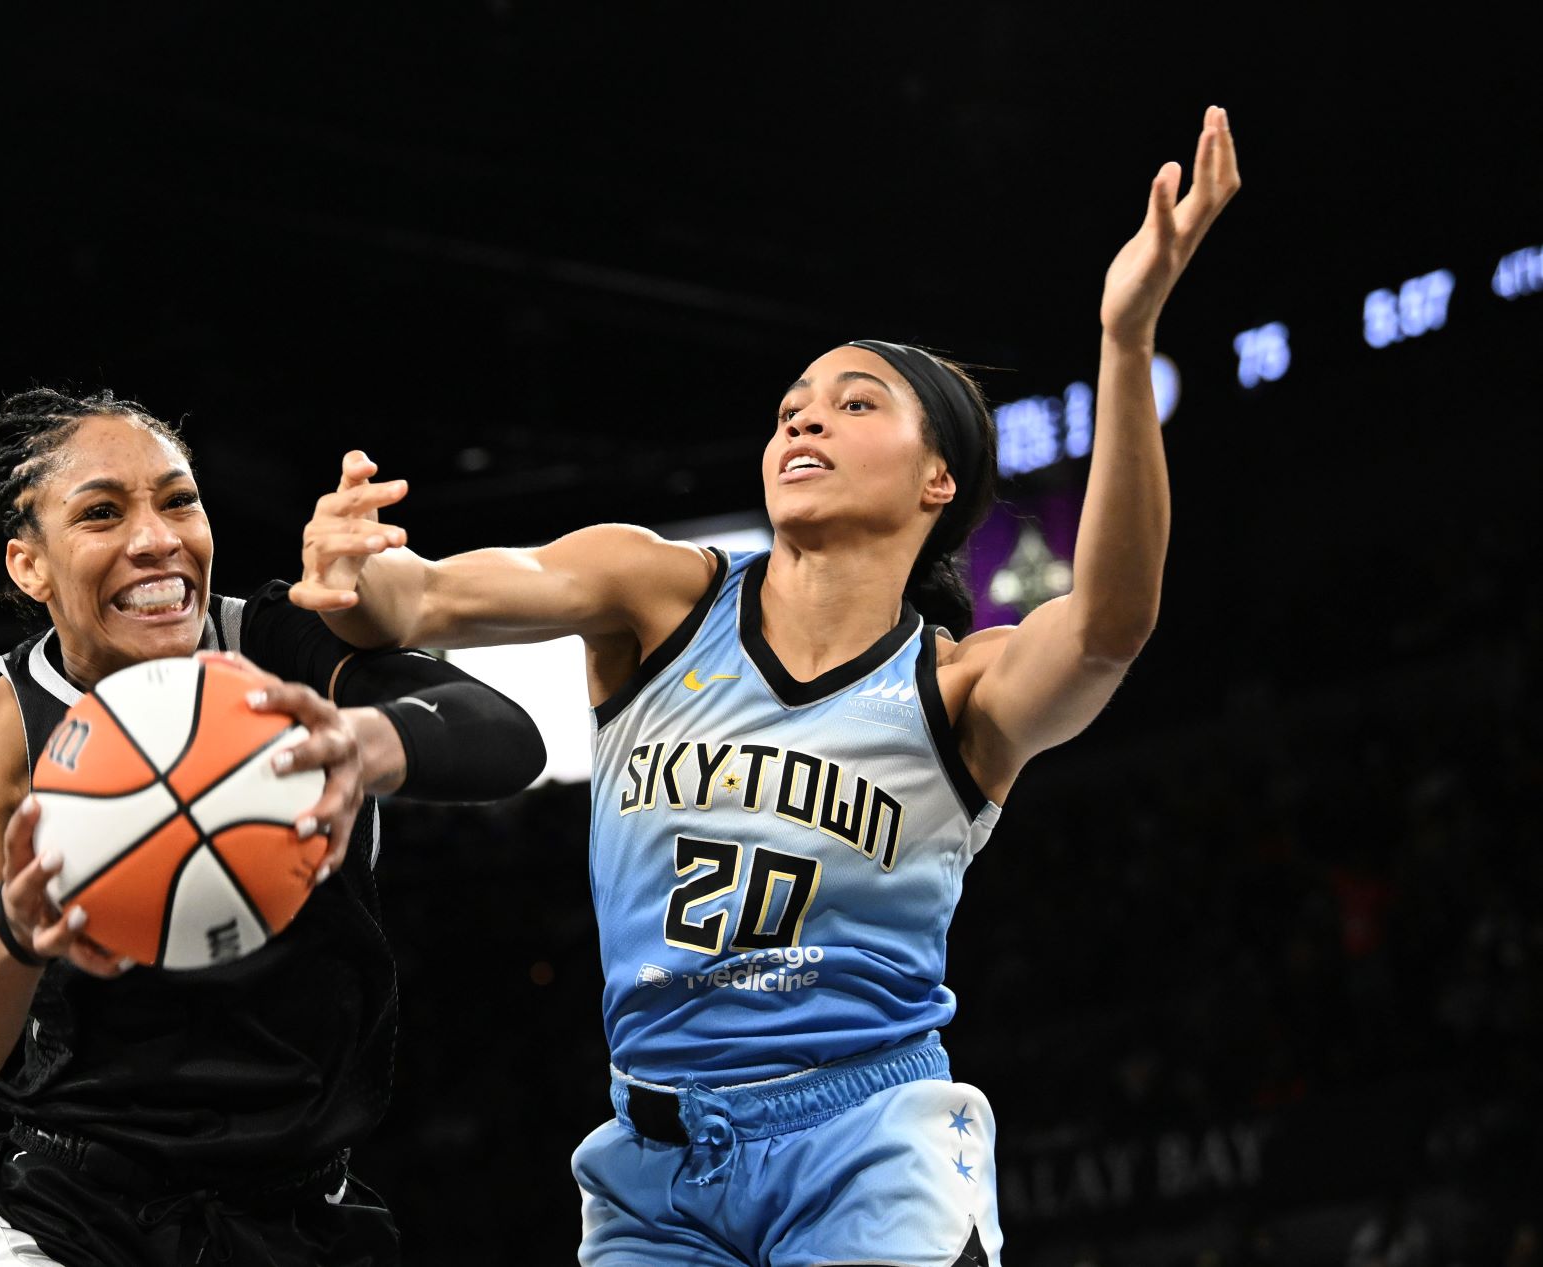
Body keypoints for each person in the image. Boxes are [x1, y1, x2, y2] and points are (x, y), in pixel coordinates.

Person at [293, 108, 1240, 1264]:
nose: (804, 414)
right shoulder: (655, 591)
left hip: (866, 1139)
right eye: (794, 403)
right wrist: (355, 577)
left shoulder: (959, 688)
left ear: (938, 478)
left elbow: (1106, 628)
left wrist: (1125, 340)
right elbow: (428, 599)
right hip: (650, 1169)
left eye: (855, 402)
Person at [0, 388, 545, 1267]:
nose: (156, 538)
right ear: (30, 565)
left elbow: (507, 736)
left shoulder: (279, 644)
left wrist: (361, 739)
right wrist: (15, 926)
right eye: (101, 512)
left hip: (305, 1211)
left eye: (179, 500)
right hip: (72, 1216)